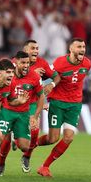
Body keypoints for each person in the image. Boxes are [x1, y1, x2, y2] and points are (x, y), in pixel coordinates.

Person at [0, 51, 44, 180]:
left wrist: (35, 116)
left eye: (28, 63)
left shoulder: (35, 77)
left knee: (24, 146)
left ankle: (13, 139)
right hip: (7, 112)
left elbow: (41, 97)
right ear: (15, 63)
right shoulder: (8, 75)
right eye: (23, 63)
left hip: (23, 114)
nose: (26, 65)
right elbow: (0, 94)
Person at [37, 38, 91, 177]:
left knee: (68, 138)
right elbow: (49, 77)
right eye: (79, 46)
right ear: (71, 49)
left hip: (75, 105)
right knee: (52, 139)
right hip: (58, 103)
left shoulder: (87, 63)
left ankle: (45, 166)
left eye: (84, 46)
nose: (82, 49)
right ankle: (31, 144)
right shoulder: (59, 63)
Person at [19, 40, 61, 173]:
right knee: (4, 138)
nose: (36, 51)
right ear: (25, 50)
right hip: (15, 102)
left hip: (33, 103)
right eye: (33, 48)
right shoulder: (16, 61)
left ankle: (27, 156)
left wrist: (51, 85)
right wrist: (32, 72)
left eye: (37, 48)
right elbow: (11, 79)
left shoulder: (42, 63)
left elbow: (57, 76)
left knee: (34, 132)